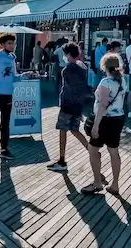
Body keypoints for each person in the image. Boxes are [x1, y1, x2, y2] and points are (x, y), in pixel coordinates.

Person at [0, 34, 35, 163]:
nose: (12, 46)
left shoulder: (11, 58)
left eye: (13, 43)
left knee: (5, 124)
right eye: (9, 43)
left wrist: (24, 75)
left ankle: (4, 149)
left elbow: (13, 77)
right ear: (2, 45)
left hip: (8, 95)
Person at [82, 53, 127, 195]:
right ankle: (115, 184)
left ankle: (97, 182)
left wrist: (95, 125)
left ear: (104, 66)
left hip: (104, 120)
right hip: (118, 118)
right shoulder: (122, 81)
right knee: (113, 151)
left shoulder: (105, 82)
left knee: (93, 149)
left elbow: (102, 105)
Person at [47, 43, 91, 173]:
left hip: (67, 105)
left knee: (63, 130)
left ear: (67, 54)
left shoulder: (67, 70)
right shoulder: (82, 67)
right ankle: (92, 151)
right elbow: (81, 89)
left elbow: (69, 90)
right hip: (77, 105)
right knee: (74, 130)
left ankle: (62, 160)